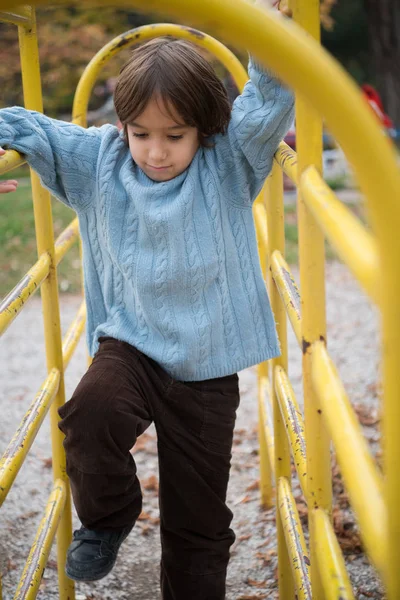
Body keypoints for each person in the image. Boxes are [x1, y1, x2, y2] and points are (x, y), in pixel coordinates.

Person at [0, 2, 294, 597]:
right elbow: (26, 124)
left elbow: (268, 100)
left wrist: (268, 29)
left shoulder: (228, 161)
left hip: (207, 364)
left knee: (199, 517)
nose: (156, 151)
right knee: (89, 413)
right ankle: (108, 519)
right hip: (130, 346)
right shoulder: (101, 160)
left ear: (205, 129)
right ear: (123, 125)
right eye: (141, 134)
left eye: (174, 136)